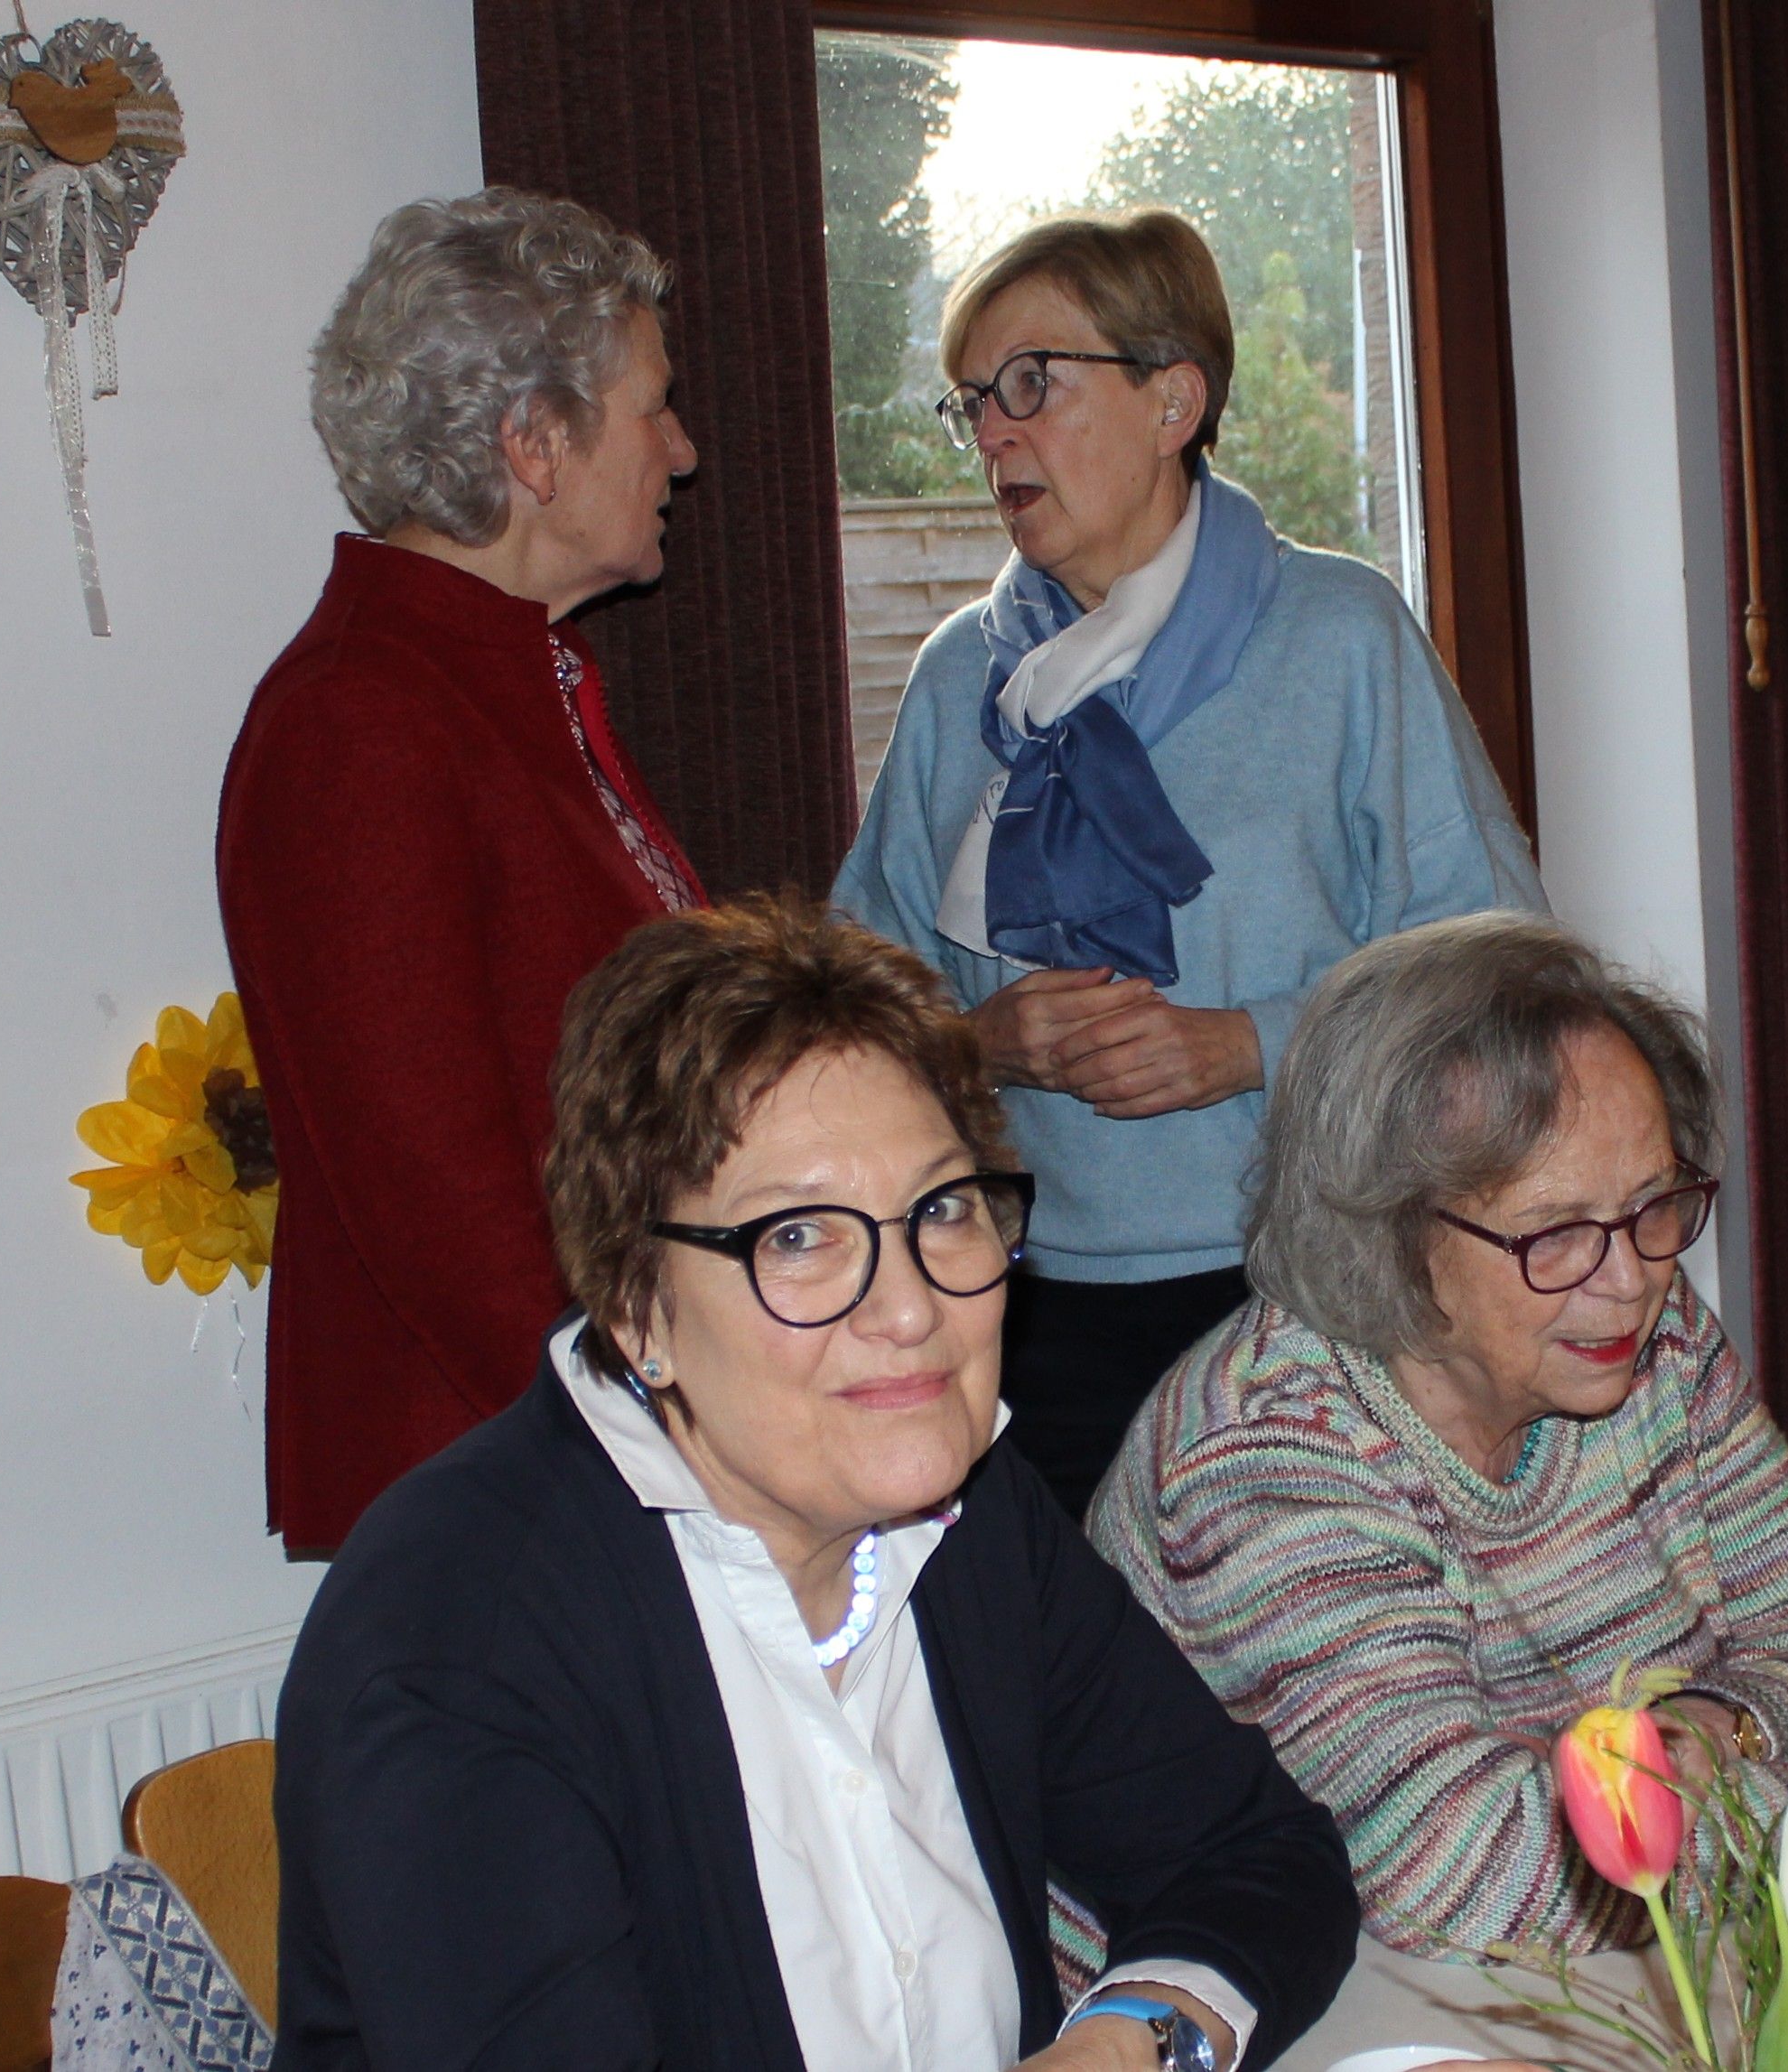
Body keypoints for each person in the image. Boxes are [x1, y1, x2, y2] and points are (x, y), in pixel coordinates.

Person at [271, 897, 1362, 2071]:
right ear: (637, 1306)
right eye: (797, 1236)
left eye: (942, 1209)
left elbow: (1255, 1855)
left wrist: (1127, 2039)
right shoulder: (460, 1633)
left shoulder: (971, 1516)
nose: (910, 1307)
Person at [1089, 912, 1788, 1960]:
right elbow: (1464, 1879)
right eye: (1556, 1232)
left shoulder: (1641, 1341)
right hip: (1243, 2004)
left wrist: (1716, 1728)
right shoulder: (1264, 1455)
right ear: (1385, 1234)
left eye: (1652, 1206)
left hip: (1583, 1979)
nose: (1630, 1279)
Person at [834, 210, 1544, 1519]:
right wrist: (982, 1043)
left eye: (1031, 384)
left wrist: (1246, 1045)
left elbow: (1498, 977)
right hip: (1020, 1311)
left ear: (1173, 401)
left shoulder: (1339, 635)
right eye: (973, 401)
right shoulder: (953, 680)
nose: (993, 433)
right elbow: (849, 1006)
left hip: (1311, 1299)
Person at [218, 189, 705, 1553]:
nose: (680, 449)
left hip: (584, 1449)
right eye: (653, 407)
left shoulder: (495, 680)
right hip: (514, 1481)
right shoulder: (360, 718)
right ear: (535, 443)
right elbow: (438, 1199)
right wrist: (670, 1437)